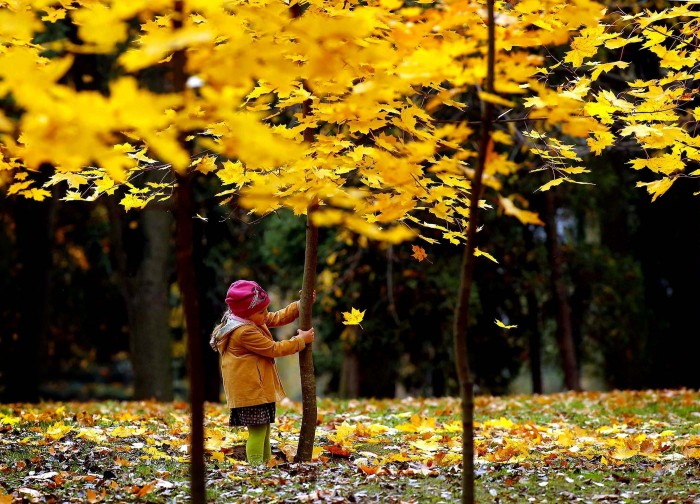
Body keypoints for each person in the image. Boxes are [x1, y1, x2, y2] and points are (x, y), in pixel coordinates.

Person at [210, 279, 315, 467]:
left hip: (257, 389)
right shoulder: (243, 332)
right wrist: (301, 340)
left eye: (265, 309)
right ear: (247, 313)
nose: (266, 314)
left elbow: (276, 317)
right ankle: (256, 467)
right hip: (250, 391)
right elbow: (274, 349)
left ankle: (265, 464)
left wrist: (300, 305)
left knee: (264, 429)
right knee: (258, 431)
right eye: (261, 311)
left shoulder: (249, 318)